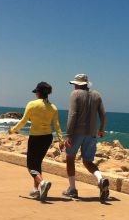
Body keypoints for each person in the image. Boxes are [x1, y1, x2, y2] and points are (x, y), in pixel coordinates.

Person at [9, 82, 64, 202]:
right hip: (47, 137)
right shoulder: (53, 107)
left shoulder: (32, 104)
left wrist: (13, 130)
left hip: (36, 137)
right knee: (37, 163)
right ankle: (36, 190)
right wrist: (61, 140)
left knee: (30, 166)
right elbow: (57, 125)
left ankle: (43, 183)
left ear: (38, 93)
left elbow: (23, 121)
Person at [62, 74, 109, 202]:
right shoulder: (96, 95)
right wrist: (101, 129)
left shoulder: (75, 94)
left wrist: (68, 135)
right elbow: (103, 114)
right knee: (88, 161)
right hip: (91, 134)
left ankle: (72, 189)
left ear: (77, 84)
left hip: (76, 133)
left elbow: (72, 115)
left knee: (70, 159)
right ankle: (101, 179)